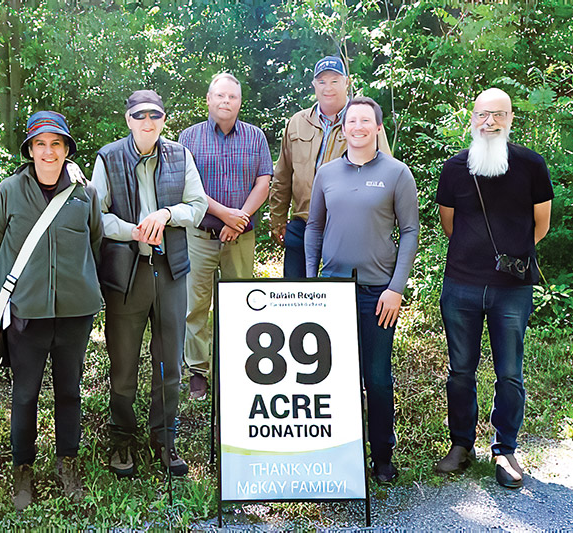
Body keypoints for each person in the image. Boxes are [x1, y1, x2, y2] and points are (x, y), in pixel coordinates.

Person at [434, 88, 553, 489]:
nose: (490, 122)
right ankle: (461, 445)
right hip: (461, 285)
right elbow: (449, 224)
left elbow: (542, 224)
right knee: (460, 372)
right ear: (472, 118)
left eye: (499, 115)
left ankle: (505, 450)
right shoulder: (453, 169)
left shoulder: (531, 166)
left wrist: (513, 257)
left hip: (512, 288)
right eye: (484, 114)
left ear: (510, 119)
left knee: (510, 374)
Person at [0, 111, 103, 510]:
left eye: (56, 144)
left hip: (75, 311)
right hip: (25, 312)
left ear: (67, 149)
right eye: (41, 144)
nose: (48, 151)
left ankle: (67, 463)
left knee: (69, 390)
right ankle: (23, 472)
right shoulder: (8, 191)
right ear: (30, 150)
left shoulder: (85, 194)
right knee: (25, 394)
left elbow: (96, 241)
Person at [91, 90, 208, 478]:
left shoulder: (180, 155)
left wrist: (167, 214)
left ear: (162, 119)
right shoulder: (109, 157)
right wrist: (134, 231)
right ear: (128, 120)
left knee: (169, 362)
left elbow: (199, 205)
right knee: (123, 364)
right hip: (126, 274)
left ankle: (164, 437)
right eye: (139, 115)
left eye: (154, 115)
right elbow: (97, 216)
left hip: (172, 270)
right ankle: (122, 438)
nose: (147, 122)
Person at [305, 97, 419, 483]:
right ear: (344, 127)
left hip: (378, 294)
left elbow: (410, 231)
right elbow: (314, 228)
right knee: (335, 378)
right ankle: (341, 452)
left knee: (377, 376)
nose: (357, 126)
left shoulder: (397, 173)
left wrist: (396, 288)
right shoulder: (327, 173)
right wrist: (310, 281)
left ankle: (382, 455)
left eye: (365, 120)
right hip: (331, 291)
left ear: (377, 127)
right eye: (351, 120)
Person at [179, 73, 273, 400]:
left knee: (241, 304)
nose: (225, 102)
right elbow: (188, 189)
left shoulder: (255, 137)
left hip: (242, 237)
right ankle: (198, 372)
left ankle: (236, 367)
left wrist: (239, 219)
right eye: (219, 96)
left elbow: (264, 182)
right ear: (208, 99)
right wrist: (224, 215)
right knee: (195, 306)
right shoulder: (188, 139)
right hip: (200, 235)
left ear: (239, 102)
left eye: (232, 97)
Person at [269, 55, 391, 278]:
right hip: (302, 224)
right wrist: (277, 220)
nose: (328, 87)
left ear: (347, 83)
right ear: (314, 85)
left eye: (335, 80)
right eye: (322, 81)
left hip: (347, 229)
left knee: (340, 301)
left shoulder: (361, 121)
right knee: (296, 298)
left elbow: (385, 175)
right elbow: (282, 176)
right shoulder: (297, 122)